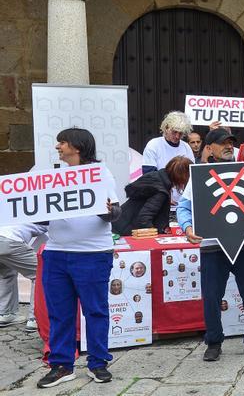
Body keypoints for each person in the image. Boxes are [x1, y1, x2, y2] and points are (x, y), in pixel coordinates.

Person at [177, 128, 244, 362]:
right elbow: (183, 207)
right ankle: (214, 341)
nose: (228, 146)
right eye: (222, 143)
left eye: (231, 143)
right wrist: (188, 228)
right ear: (209, 148)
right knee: (211, 296)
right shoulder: (198, 176)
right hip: (212, 246)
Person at [37, 128, 120, 388]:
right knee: (59, 313)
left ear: (78, 146)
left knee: (95, 311)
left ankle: (98, 363)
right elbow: (42, 217)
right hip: (56, 253)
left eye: (62, 142)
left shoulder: (100, 173)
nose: (57, 147)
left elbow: (115, 213)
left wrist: (107, 211)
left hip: (92, 253)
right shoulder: (53, 177)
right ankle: (62, 365)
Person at [113, 156, 191, 236]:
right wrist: (155, 237)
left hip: (121, 223)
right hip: (125, 230)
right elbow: (144, 219)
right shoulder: (161, 191)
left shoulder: (156, 178)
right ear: (182, 176)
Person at [0, 223, 47, 331]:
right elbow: (44, 244)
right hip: (9, 241)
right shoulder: (50, 218)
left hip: (5, 237)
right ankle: (35, 319)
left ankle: (5, 313)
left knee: (5, 274)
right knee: (40, 273)